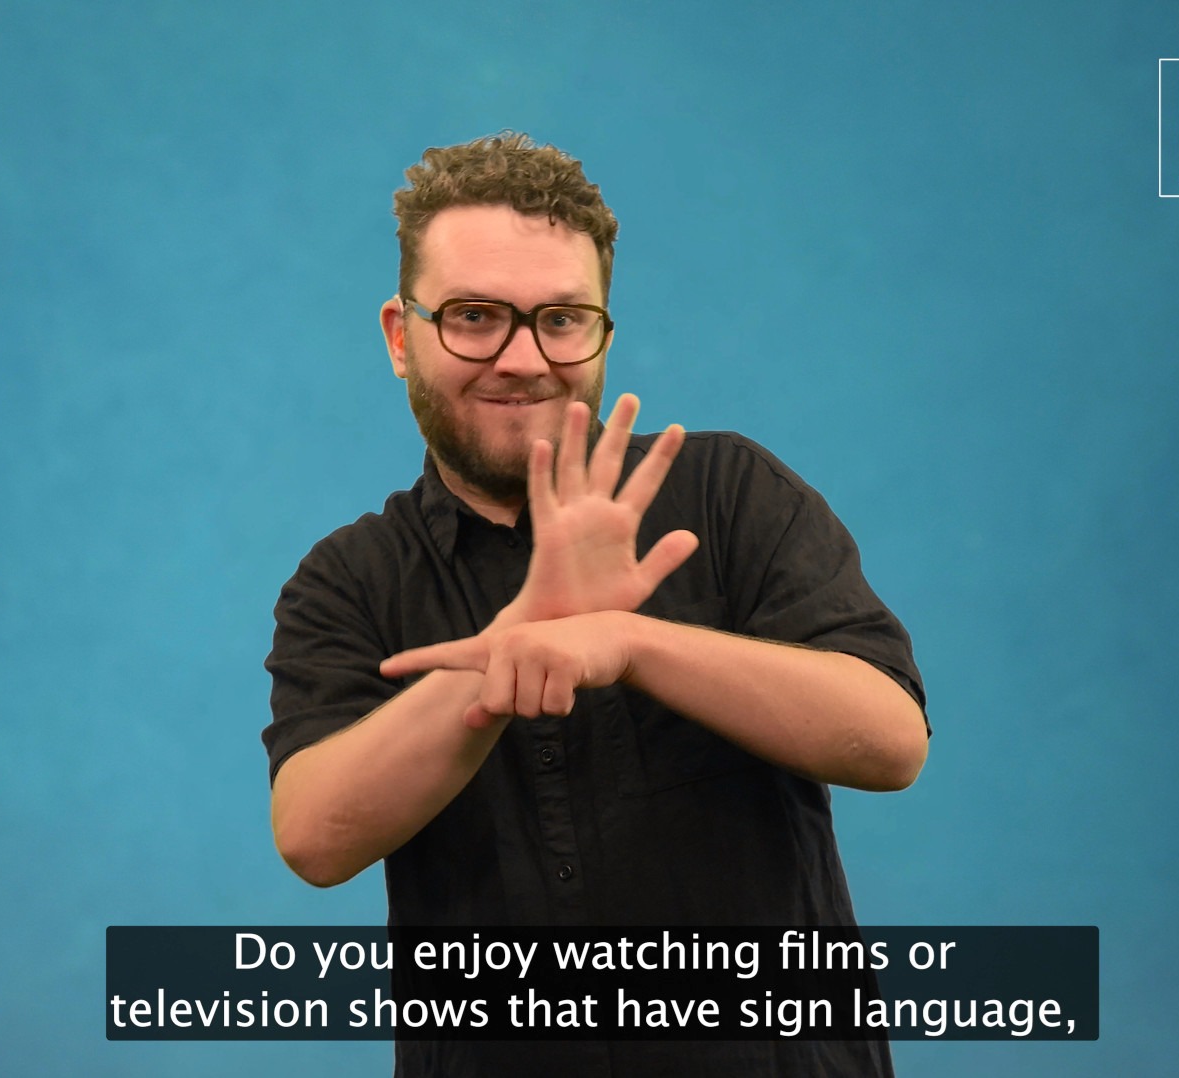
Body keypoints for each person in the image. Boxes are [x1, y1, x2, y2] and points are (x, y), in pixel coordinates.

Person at [262, 132, 928, 1076]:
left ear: (604, 326)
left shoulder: (734, 495)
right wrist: (510, 652)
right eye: (475, 316)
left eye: (563, 319)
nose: (523, 358)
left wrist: (628, 641)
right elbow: (315, 836)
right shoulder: (347, 580)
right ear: (400, 336)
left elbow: (892, 741)